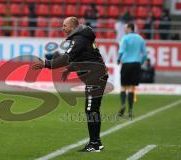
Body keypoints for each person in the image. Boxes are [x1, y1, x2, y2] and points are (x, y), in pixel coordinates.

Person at [32, 17, 108, 152]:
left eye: (64, 25)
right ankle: (96, 142)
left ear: (72, 27)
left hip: (94, 78)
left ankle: (94, 144)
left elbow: (66, 58)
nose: (62, 28)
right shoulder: (83, 38)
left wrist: (46, 64)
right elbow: (84, 57)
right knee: (92, 110)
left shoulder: (78, 39)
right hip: (97, 75)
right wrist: (70, 69)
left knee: (91, 110)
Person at [117, 23, 147, 119]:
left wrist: (118, 59)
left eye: (125, 28)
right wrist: (140, 62)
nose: (124, 29)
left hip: (126, 64)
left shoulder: (125, 38)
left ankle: (122, 104)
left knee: (123, 87)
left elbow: (121, 51)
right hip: (136, 64)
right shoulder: (140, 38)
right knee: (131, 88)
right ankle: (130, 110)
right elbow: (145, 54)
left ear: (129, 28)